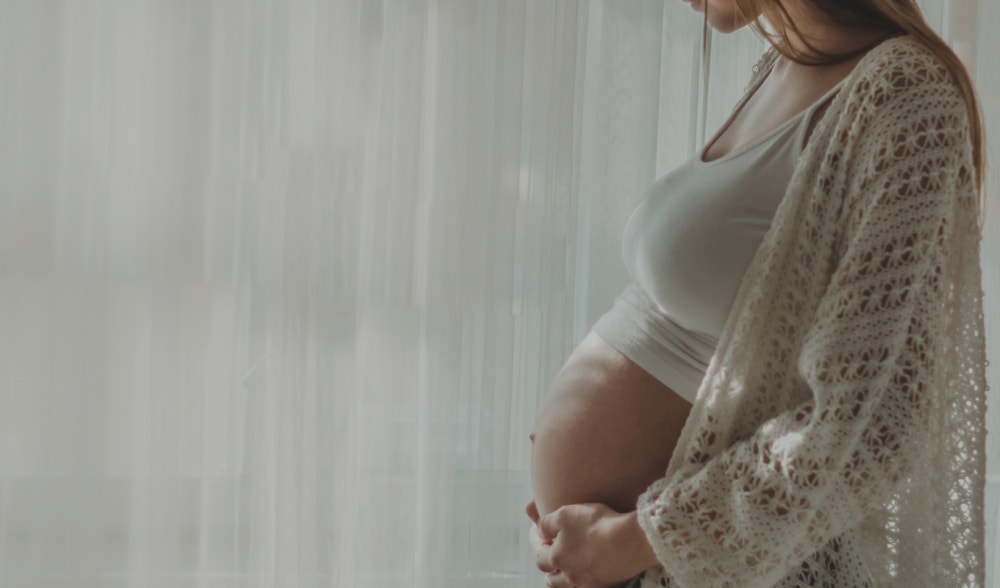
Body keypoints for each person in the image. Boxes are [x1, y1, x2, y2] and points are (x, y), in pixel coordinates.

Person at [526, 0, 989, 587]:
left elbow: (875, 428)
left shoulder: (905, 93)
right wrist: (567, 526)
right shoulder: (780, 66)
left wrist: (632, 539)